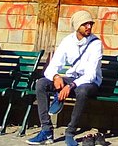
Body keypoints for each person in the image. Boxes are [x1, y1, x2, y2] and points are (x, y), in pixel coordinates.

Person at [27, 10, 103, 146]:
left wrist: (70, 85)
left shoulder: (96, 44)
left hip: (89, 83)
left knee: (82, 91)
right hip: (71, 78)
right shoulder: (67, 41)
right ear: (77, 26)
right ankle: (46, 130)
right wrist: (56, 77)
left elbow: (90, 74)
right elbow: (53, 66)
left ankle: (70, 132)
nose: (89, 27)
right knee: (41, 83)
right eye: (85, 24)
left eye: (90, 24)